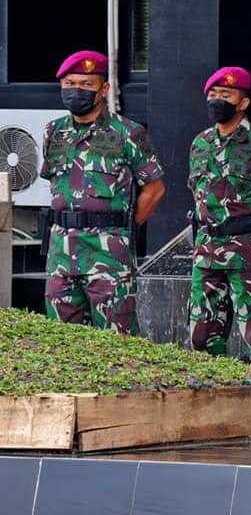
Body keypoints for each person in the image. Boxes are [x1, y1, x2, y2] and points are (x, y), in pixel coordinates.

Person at [41, 50, 165, 335]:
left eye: (86, 85)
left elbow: (155, 189)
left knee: (116, 340)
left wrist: (124, 230)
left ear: (104, 89)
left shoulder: (129, 132)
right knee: (61, 341)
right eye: (70, 83)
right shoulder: (54, 131)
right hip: (61, 253)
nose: (76, 91)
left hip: (108, 254)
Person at [187, 66, 251, 363]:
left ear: (243, 102)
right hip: (206, 247)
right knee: (202, 334)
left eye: (226, 94)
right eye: (213, 93)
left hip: (248, 249)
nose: (218, 99)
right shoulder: (200, 142)